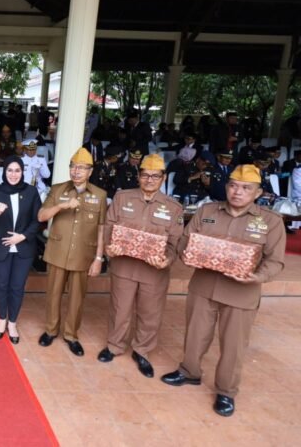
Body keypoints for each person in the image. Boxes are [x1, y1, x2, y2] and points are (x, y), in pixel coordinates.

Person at [161, 165, 286, 417]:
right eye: (233, 186)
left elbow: (275, 260)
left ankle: (226, 391)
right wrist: (187, 254)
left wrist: (257, 276)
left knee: (234, 345)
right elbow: (186, 240)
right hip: (204, 285)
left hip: (241, 292)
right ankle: (189, 372)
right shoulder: (207, 211)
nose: (237, 192)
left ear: (258, 192)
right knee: (195, 334)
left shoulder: (270, 222)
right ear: (226, 187)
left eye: (245, 188)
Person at [97, 154, 184, 377]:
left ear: (163, 178)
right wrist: (109, 248)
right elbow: (109, 226)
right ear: (138, 176)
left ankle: (142, 351)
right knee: (120, 308)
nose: (149, 180)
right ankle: (115, 346)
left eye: (155, 176)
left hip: (154, 271)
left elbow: (176, 241)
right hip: (124, 266)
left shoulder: (173, 207)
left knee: (150, 313)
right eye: (145, 175)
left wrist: (168, 259)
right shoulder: (123, 197)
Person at [37, 148, 106, 356]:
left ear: (90, 171)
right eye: (73, 167)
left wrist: (98, 258)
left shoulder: (100, 195)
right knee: (53, 294)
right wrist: (63, 206)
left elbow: (102, 227)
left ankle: (71, 335)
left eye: (82, 168)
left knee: (77, 298)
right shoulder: (57, 190)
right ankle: (50, 330)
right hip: (58, 251)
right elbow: (41, 216)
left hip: (83, 255)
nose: (76, 171)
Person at [0, 156, 41, 342]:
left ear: (22, 172)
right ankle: (1, 319)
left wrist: (22, 236)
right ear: (4, 172)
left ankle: (12, 323)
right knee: (1, 285)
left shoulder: (31, 192)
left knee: (17, 287)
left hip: (24, 247)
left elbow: (37, 219)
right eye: (10, 170)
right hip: (1, 246)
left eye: (17, 170)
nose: (13, 174)